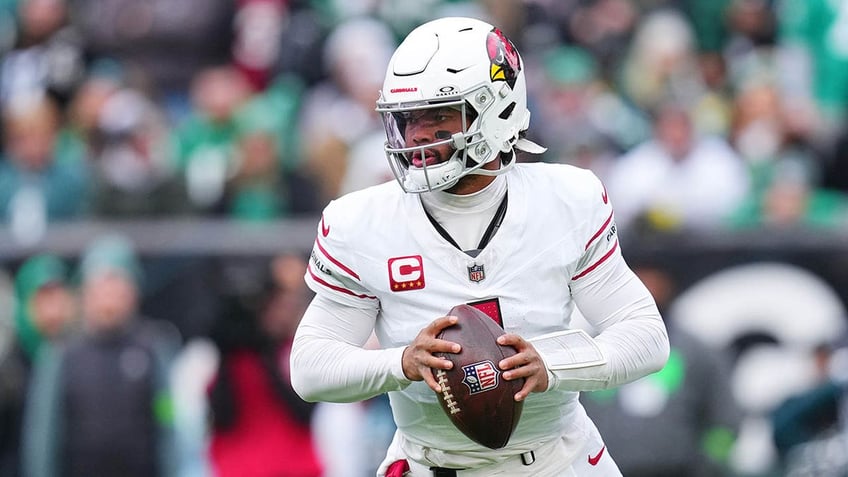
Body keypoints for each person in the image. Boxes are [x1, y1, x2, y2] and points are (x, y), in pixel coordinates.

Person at [290, 16, 670, 477]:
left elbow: (646, 336)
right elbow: (310, 367)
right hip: (432, 463)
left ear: (497, 111)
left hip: (557, 460)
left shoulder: (568, 199)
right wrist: (403, 362)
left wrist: (552, 363)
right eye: (408, 119)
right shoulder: (360, 223)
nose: (419, 136)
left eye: (439, 115)